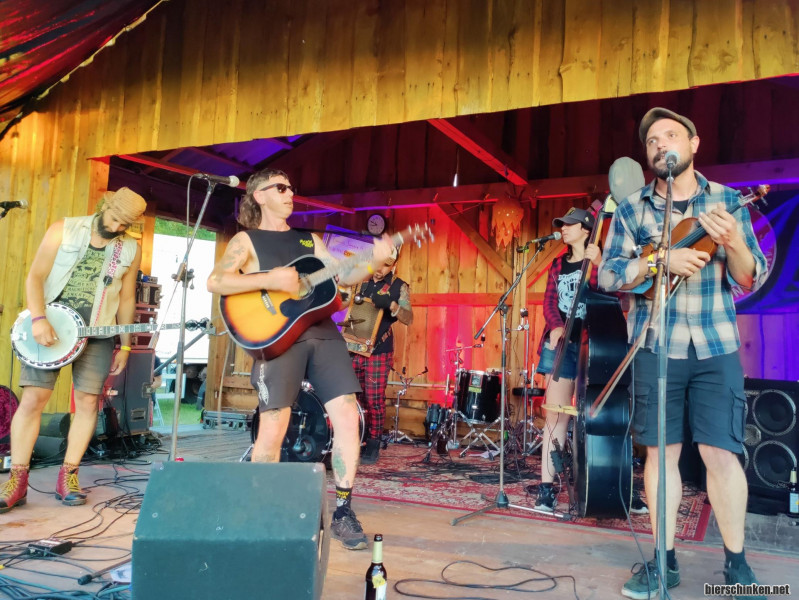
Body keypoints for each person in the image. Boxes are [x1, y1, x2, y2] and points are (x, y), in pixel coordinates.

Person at [599, 107, 768, 599]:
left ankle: (737, 566)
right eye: (652, 141)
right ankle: (663, 561)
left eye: (670, 135)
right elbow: (608, 275)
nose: (660, 145)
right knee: (661, 454)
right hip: (656, 342)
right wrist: (659, 259)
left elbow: (748, 276)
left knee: (721, 452)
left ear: (693, 144)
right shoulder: (632, 209)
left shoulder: (728, 201)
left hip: (716, 344)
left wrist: (733, 240)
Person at [206, 167, 394, 550]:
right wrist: (270, 280)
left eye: (291, 187)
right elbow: (217, 281)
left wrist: (374, 260)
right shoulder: (246, 240)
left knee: (347, 416)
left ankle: (343, 511)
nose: (290, 193)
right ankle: (261, 514)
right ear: (259, 195)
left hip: (322, 333)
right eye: (280, 187)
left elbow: (344, 275)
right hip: (277, 337)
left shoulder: (309, 240)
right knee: (274, 424)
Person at [0, 188, 146, 513]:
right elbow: (35, 277)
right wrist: (38, 318)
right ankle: (17, 481)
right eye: (114, 218)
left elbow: (125, 298)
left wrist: (125, 344)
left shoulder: (130, 248)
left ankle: (68, 476)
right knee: (34, 399)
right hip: (50, 325)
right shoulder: (63, 229)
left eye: (124, 224)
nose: (116, 227)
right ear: (104, 205)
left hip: (97, 332)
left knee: (88, 402)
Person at [533, 207, 601, 512]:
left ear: (586, 229)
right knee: (555, 416)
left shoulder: (597, 260)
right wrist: (556, 326)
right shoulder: (558, 264)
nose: (563, 229)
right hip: (562, 344)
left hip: (593, 344)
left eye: (569, 225)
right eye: (561, 225)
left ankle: (604, 482)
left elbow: (609, 294)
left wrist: (600, 263)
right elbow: (549, 301)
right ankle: (546, 488)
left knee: (597, 417)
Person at [349, 248, 413, 464]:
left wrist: (392, 305)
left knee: (374, 399)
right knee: (353, 398)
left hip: (379, 350)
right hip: (353, 347)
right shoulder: (360, 281)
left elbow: (408, 318)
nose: (380, 269)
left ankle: (373, 443)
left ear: (394, 265)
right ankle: (356, 438)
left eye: (386, 264)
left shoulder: (399, 286)